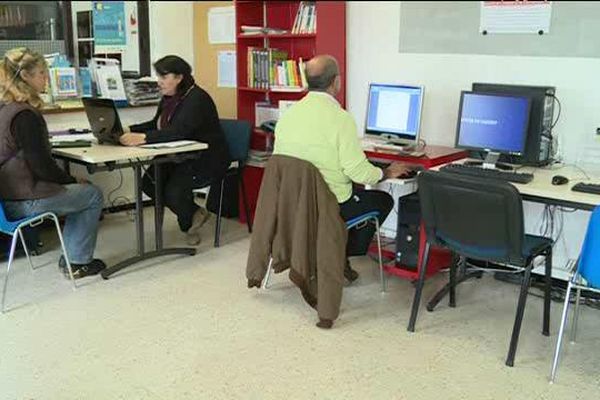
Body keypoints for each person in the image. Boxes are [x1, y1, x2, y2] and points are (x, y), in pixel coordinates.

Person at [273, 54, 416, 282]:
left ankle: (327, 251)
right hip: (330, 205)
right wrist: (386, 172)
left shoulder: (288, 116)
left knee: (356, 193)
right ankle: (337, 256)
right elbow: (359, 173)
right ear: (336, 82)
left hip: (294, 204)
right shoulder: (341, 120)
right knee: (382, 200)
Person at [0, 47, 106, 278]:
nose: (46, 78)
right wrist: (72, 179)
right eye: (41, 73)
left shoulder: (5, 109)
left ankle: (72, 256)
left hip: (7, 199)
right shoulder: (26, 116)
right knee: (92, 194)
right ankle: (77, 262)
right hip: (24, 201)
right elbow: (43, 168)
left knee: (80, 191)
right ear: (25, 77)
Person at [120, 55, 229, 245]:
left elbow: (179, 131)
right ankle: (195, 214)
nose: (159, 81)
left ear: (179, 77)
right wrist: (130, 130)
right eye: (158, 76)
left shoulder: (197, 98)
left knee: (173, 192)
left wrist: (144, 138)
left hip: (203, 158)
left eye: (164, 76)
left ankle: (189, 224)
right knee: (149, 183)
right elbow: (156, 125)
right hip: (178, 156)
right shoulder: (169, 98)